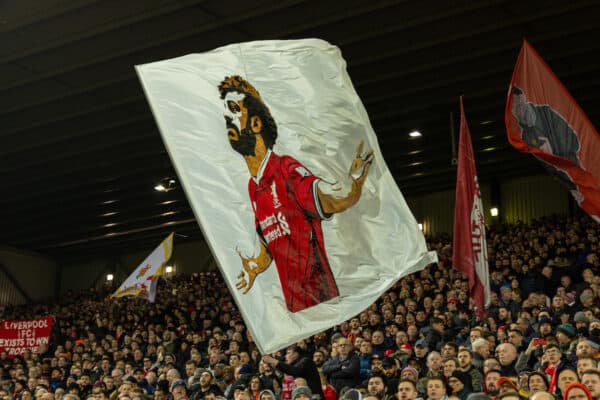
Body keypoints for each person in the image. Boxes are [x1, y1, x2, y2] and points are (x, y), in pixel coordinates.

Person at [219, 75, 374, 313]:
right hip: (298, 311)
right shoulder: (253, 187)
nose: (227, 117)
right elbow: (269, 245)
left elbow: (332, 200)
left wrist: (353, 183)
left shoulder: (285, 168)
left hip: (322, 304)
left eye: (233, 109)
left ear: (256, 125)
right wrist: (254, 267)